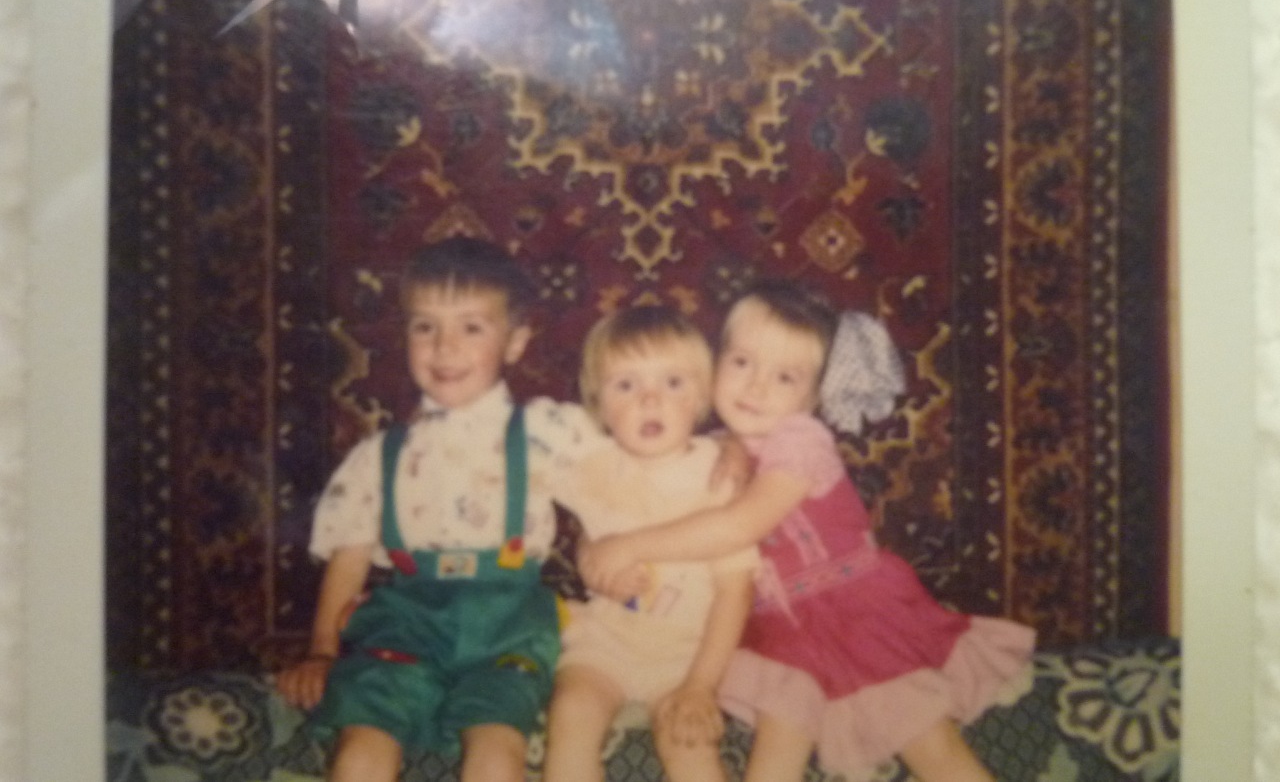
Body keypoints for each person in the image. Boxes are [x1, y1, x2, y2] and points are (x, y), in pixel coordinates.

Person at [581, 280, 1036, 782]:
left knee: (928, 743)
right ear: (715, 363)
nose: (756, 387)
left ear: (814, 397)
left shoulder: (803, 441)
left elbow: (742, 525)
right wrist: (600, 554)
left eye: (785, 377)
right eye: (742, 362)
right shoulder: (710, 446)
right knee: (775, 755)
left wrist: (628, 547)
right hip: (779, 628)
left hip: (854, 609)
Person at [275, 236, 605, 782]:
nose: (444, 347)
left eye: (471, 328)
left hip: (508, 625)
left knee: (496, 750)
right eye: (425, 327)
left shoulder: (545, 430)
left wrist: (727, 448)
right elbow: (350, 555)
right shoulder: (377, 455)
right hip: (406, 624)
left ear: (515, 342)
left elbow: (641, 459)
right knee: (361, 746)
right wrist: (322, 651)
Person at [542, 306, 756, 782]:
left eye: (673, 383)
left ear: (701, 397)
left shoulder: (719, 477)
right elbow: (564, 511)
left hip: (688, 656)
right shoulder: (592, 466)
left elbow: (735, 591)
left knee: (690, 745)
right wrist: (589, 560)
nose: (650, 400)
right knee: (571, 715)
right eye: (626, 385)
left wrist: (700, 686)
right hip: (605, 644)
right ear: (598, 404)